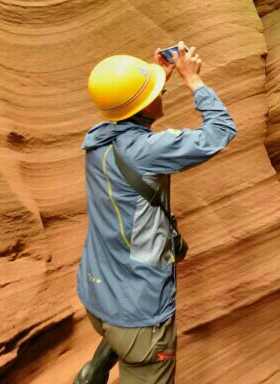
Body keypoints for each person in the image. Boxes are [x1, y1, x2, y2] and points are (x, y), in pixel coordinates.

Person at [74, 42, 237, 384]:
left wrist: (157, 80)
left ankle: (94, 371)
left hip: (95, 291)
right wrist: (193, 81)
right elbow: (221, 131)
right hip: (139, 315)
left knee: (119, 330)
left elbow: (123, 112)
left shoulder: (96, 139)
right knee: (141, 351)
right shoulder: (148, 151)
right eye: (153, 94)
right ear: (143, 104)